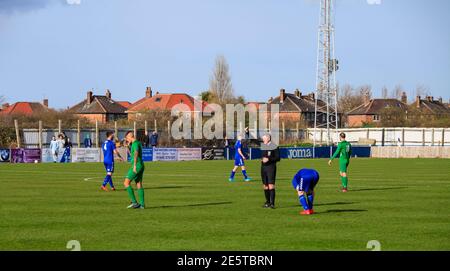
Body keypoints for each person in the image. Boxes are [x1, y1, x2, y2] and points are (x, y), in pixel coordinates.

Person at [123, 131, 145, 209]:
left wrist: (135, 166)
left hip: (137, 165)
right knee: (138, 184)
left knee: (126, 183)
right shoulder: (136, 143)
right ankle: (142, 205)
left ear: (130, 136)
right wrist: (127, 147)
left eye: (127, 138)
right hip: (141, 165)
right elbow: (132, 154)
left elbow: (135, 153)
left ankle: (134, 202)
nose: (126, 140)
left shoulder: (135, 143)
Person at [260, 133, 280, 209]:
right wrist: (247, 133)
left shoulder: (274, 146)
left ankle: (272, 203)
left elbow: (278, 158)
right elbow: (254, 141)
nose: (263, 140)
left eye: (264, 139)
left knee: (271, 185)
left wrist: (269, 159)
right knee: (265, 186)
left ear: (268, 138)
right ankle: (267, 202)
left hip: (271, 168)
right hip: (263, 168)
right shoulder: (263, 145)